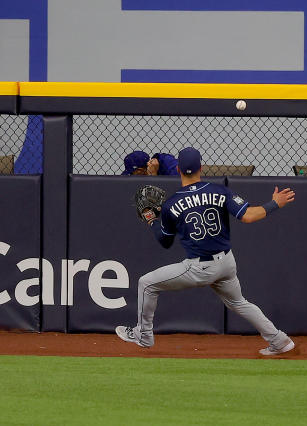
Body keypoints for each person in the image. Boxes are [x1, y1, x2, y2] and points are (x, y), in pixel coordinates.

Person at [115, 147, 297, 356]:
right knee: (239, 302)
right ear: (201, 167)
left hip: (200, 267)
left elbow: (164, 241)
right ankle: (279, 340)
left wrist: (151, 220)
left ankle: (143, 335)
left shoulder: (172, 204)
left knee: (146, 283)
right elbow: (247, 216)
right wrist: (275, 203)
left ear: (179, 170)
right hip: (226, 262)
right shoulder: (220, 190)